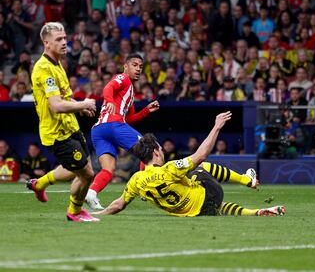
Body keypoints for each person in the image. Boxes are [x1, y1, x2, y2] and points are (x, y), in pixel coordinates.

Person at [95, 112, 286, 217]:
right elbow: (201, 155)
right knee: (199, 167)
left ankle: (255, 212)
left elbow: (119, 204)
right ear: (155, 152)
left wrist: (100, 213)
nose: (162, 151)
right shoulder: (170, 168)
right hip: (210, 194)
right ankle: (247, 181)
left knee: (213, 205)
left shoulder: (136, 180)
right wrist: (216, 127)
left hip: (192, 211)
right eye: (160, 149)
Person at [27, 22, 99, 222]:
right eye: (59, 39)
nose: (64, 42)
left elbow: (65, 98)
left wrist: (80, 106)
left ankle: (40, 184)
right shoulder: (43, 69)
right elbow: (56, 105)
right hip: (56, 132)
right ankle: (74, 212)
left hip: (70, 127)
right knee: (86, 174)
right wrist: (83, 103)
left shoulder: (57, 64)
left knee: (80, 171)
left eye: (65, 38)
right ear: (46, 43)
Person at [85, 53, 160, 210]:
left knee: (109, 168)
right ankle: (144, 188)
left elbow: (130, 119)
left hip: (99, 131)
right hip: (113, 125)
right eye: (134, 65)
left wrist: (146, 110)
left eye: (140, 66)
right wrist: (110, 101)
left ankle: (91, 194)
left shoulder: (130, 92)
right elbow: (108, 87)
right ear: (125, 67)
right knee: (151, 149)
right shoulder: (123, 78)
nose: (138, 69)